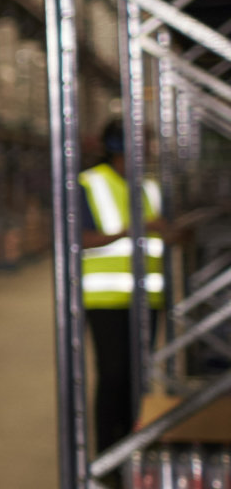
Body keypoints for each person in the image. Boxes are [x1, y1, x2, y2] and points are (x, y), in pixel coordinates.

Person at [81, 120, 168, 467]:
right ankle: (108, 457)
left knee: (138, 378)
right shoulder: (89, 184)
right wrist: (134, 229)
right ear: (119, 145)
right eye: (142, 141)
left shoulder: (149, 186)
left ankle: (135, 449)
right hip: (106, 301)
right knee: (114, 376)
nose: (148, 148)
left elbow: (158, 234)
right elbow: (80, 238)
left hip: (148, 297)